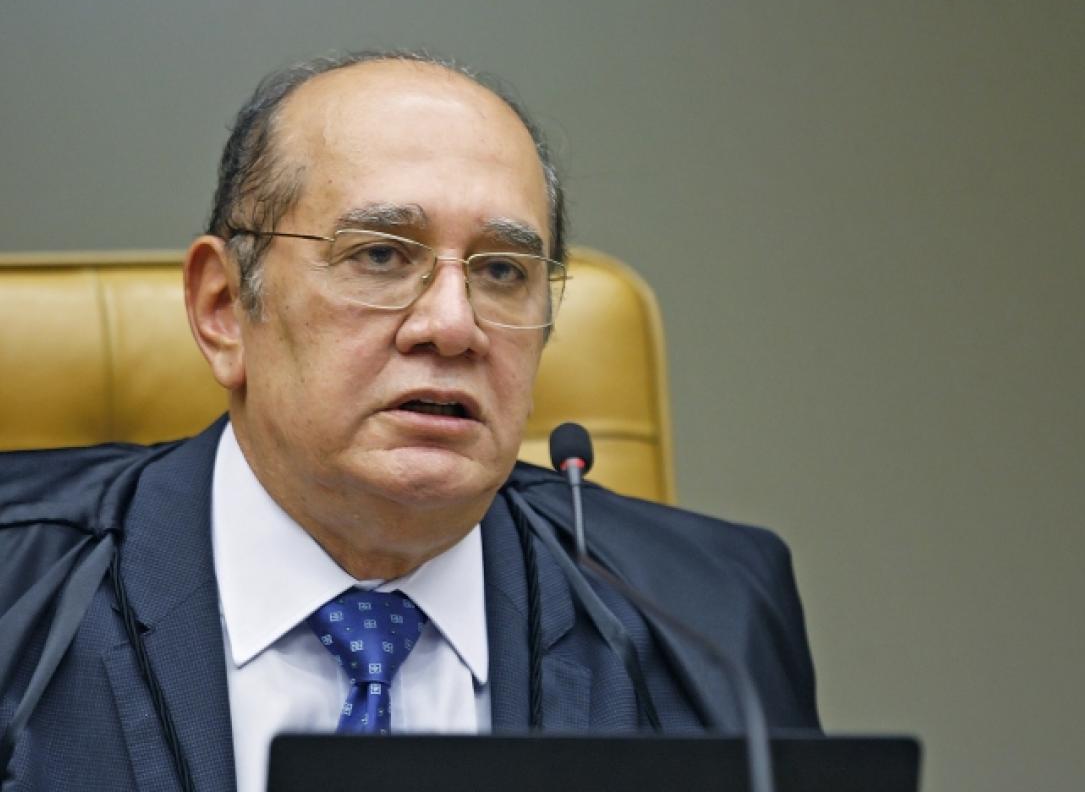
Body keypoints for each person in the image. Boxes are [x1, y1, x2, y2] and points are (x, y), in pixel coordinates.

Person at [0, 50, 818, 792]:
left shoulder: (711, 616)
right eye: (381, 255)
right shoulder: (18, 586)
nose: (453, 326)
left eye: (503, 271)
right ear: (223, 309)